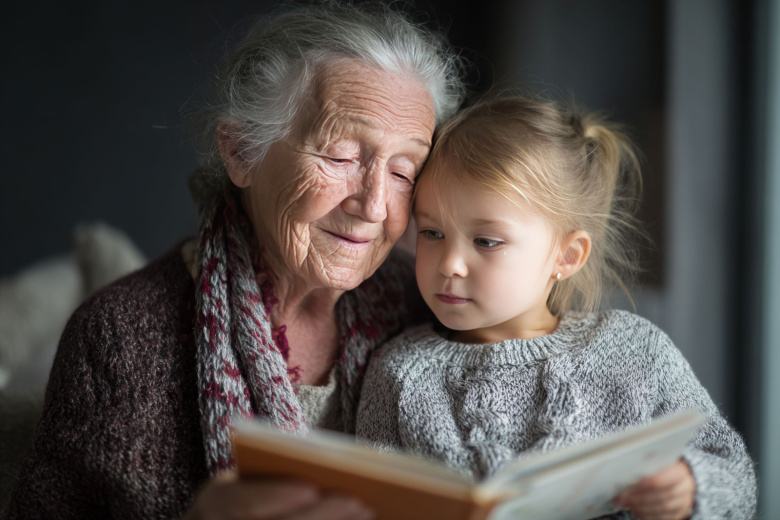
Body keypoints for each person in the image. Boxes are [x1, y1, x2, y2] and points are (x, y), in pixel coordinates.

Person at [4, 3, 464, 519]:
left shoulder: (430, 308)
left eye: (403, 173)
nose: (375, 206)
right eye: (340, 157)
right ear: (242, 152)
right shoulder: (117, 338)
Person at [355, 96, 758, 520]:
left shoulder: (636, 352)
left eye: (486, 241)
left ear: (566, 256)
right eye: (432, 233)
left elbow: (736, 476)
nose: (449, 264)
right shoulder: (398, 374)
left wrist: (690, 486)